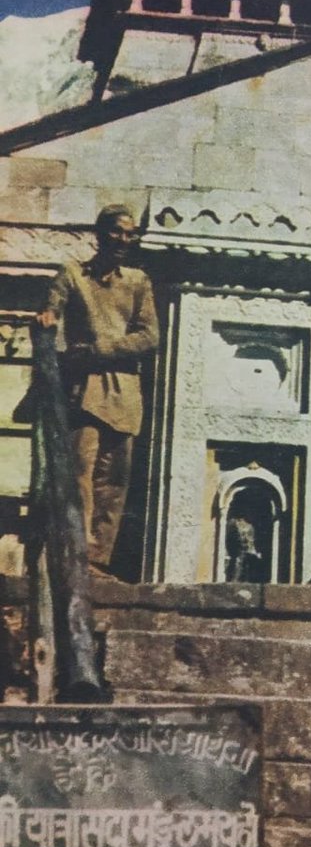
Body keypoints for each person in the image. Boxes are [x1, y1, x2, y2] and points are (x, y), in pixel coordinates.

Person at [36, 204, 159, 575]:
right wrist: (47, 319)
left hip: (124, 391)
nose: (123, 240)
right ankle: (77, 552)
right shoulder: (73, 274)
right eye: (117, 232)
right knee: (81, 471)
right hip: (84, 389)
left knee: (114, 479)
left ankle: (98, 559)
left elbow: (150, 336)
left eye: (130, 233)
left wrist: (103, 350)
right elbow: (51, 309)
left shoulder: (138, 281)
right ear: (99, 233)